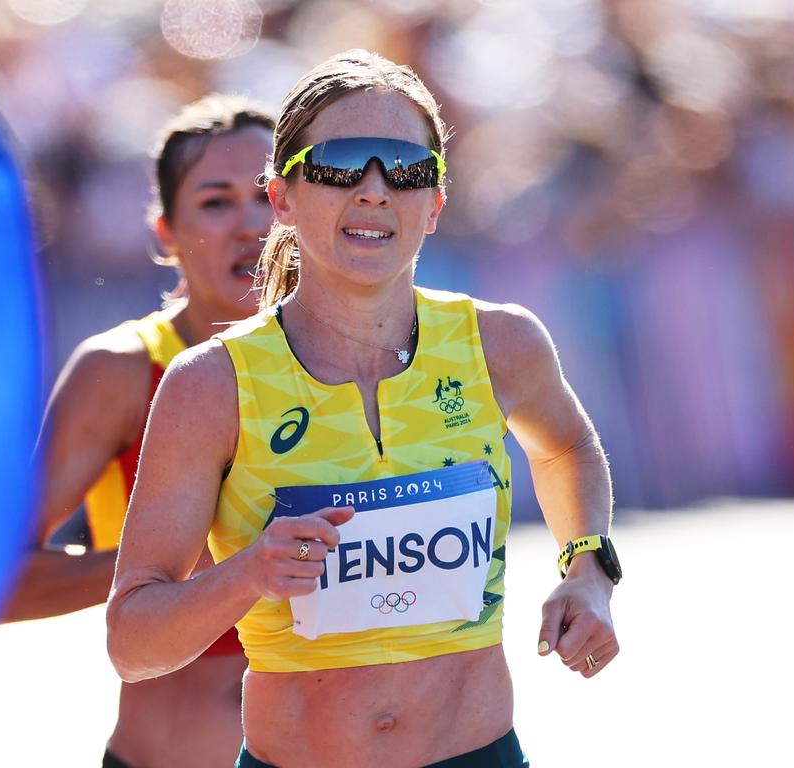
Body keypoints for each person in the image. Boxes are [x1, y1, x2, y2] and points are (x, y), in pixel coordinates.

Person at [107, 50, 620, 768]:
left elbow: (566, 447)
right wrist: (248, 574)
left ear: (435, 203)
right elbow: (132, 644)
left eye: (405, 168)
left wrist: (587, 569)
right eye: (343, 164)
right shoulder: (211, 385)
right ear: (282, 196)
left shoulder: (501, 344)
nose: (375, 191)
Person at [0, 94, 276, 768]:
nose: (251, 225)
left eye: (269, 194)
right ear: (166, 234)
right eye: (215, 202)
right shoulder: (121, 370)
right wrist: (174, 570)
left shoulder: (354, 357)